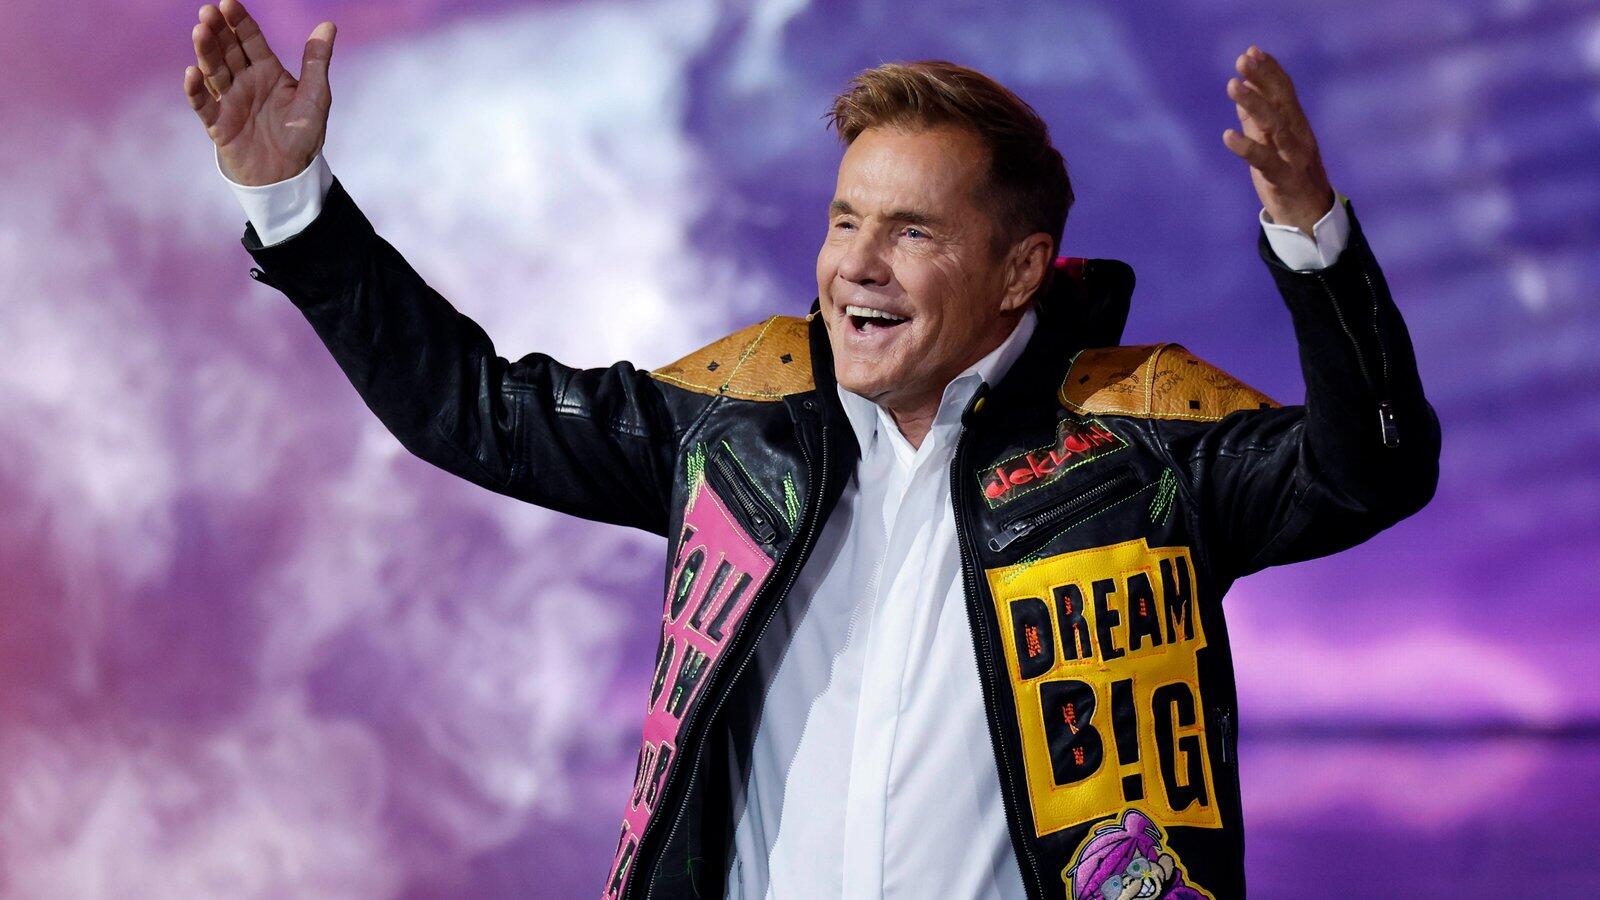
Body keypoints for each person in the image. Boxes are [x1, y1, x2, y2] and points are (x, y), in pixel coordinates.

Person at [184, 2, 1441, 898]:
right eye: (845, 221)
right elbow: (473, 410)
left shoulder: (1140, 435)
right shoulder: (738, 419)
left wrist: (1313, 239)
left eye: (911, 231)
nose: (857, 266)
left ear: (1019, 272)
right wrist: (295, 209)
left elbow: (1373, 467)